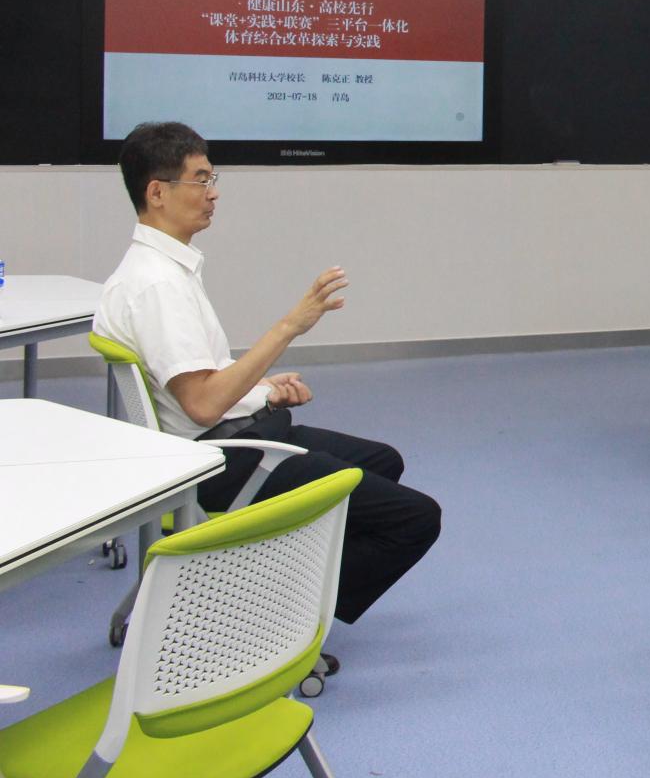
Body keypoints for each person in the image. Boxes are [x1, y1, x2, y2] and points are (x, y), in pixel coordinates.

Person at [93, 121, 440, 626]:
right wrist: (289, 326)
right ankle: (279, 619)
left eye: (213, 180)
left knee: (383, 461)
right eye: (201, 180)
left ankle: (288, 587)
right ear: (157, 193)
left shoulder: (159, 271)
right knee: (415, 519)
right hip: (217, 460)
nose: (213, 194)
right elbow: (202, 404)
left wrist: (262, 392)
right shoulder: (156, 287)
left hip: (226, 436)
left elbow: (200, 384)